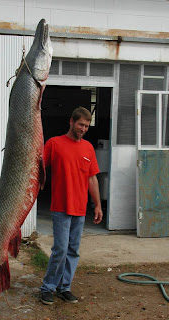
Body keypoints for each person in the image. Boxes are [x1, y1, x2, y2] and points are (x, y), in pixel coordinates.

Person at [40, 106, 103, 305]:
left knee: (73, 250)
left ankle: (64, 287)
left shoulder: (88, 148)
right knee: (60, 249)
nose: (83, 129)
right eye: (80, 124)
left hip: (80, 208)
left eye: (86, 126)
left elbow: (92, 178)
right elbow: (39, 167)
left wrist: (98, 205)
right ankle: (47, 288)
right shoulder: (54, 143)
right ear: (71, 122)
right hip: (60, 207)